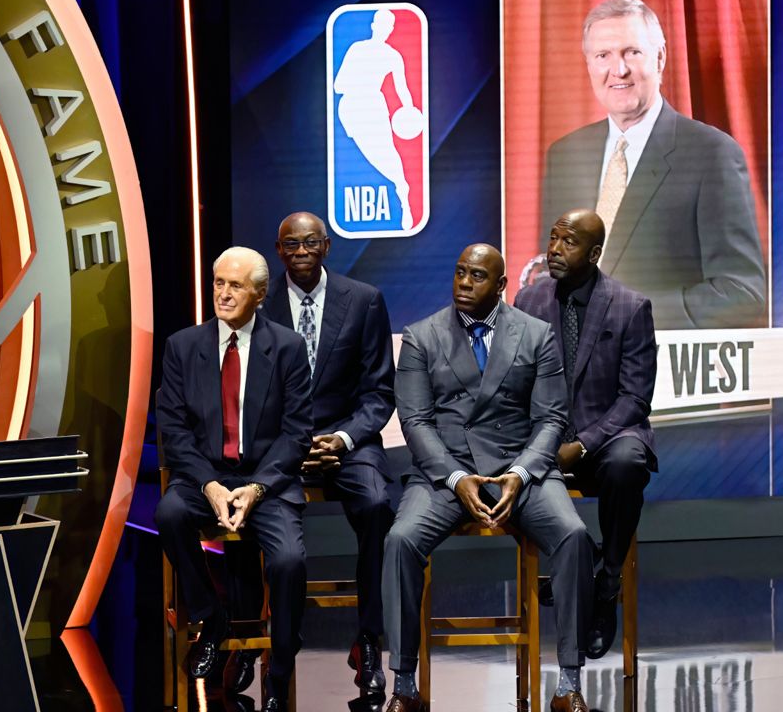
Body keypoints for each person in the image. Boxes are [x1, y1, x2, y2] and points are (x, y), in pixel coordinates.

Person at [382, 244, 594, 712]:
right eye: (459, 273)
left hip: (521, 469)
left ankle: (568, 684)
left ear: (500, 286)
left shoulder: (536, 335)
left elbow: (551, 419)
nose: (463, 282)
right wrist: (457, 478)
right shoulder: (422, 336)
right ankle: (403, 685)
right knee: (400, 540)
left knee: (574, 535)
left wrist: (520, 474)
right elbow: (415, 422)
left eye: (476, 276)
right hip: (447, 472)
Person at [231, 211, 395, 704]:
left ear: (326, 246)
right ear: (277, 252)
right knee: (240, 505)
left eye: (310, 244)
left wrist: (343, 439)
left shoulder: (363, 301)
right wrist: (290, 441)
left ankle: (368, 640)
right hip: (276, 440)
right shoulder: (257, 303)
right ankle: (244, 635)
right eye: (290, 246)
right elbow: (245, 387)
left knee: (376, 504)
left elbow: (378, 392)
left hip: (345, 439)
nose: (301, 253)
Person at [539, 0, 765, 329]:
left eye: (632, 52)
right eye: (603, 55)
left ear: (659, 58)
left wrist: (627, 316)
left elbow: (743, 294)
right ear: (589, 64)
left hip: (664, 368)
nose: (619, 70)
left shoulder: (712, 154)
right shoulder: (565, 155)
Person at [155, 247, 312, 710]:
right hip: (205, 477)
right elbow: (175, 430)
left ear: (260, 294)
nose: (223, 293)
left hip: (266, 480)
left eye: (236, 285)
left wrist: (258, 487)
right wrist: (209, 484)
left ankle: (279, 670)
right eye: (219, 283)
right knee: (169, 514)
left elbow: (297, 432)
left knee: (287, 561)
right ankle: (210, 618)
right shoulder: (183, 346)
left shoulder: (286, 347)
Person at [515, 209, 656, 659]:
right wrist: (543, 439)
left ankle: (608, 578)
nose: (554, 250)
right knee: (511, 464)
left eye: (568, 243)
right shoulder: (528, 302)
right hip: (547, 435)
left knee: (627, 463)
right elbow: (515, 383)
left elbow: (634, 398)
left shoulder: (631, 306)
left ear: (594, 253)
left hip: (607, 435)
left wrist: (584, 443)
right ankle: (574, 566)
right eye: (552, 239)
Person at [335, 8, 420, 230]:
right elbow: (338, 85)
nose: (385, 29)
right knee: (371, 156)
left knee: (389, 153)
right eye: (381, 24)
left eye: (389, 26)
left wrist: (409, 110)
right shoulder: (357, 49)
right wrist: (361, 82)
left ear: (391, 30)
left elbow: (403, 89)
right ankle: (400, 187)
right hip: (352, 108)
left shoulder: (393, 56)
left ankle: (404, 195)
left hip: (375, 108)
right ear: (373, 26)